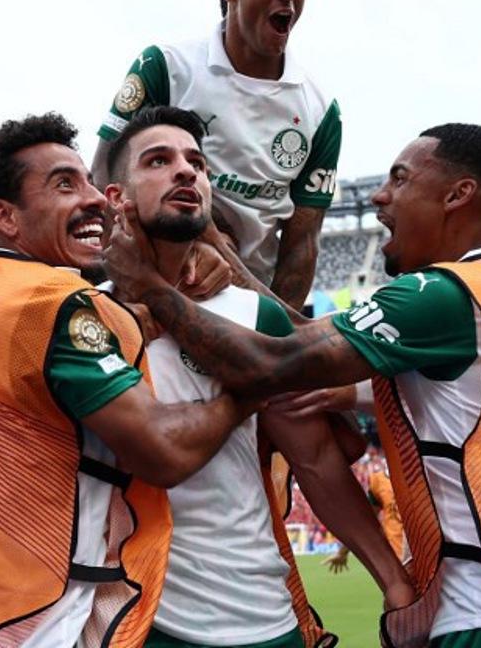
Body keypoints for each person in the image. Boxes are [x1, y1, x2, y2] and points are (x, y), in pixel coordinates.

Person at [105, 123, 481, 647]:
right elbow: (301, 341)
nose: (379, 195)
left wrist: (151, 289)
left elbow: (279, 361)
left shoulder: (448, 294)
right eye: (157, 160)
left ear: (459, 196)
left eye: (398, 178)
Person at [0, 114, 259, 647]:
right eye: (64, 184)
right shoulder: (48, 302)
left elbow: (108, 330)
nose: (96, 198)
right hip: (36, 619)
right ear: (5, 216)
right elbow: (163, 451)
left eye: (87, 180)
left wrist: (171, 286)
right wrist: (251, 385)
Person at [101, 106, 411, 647]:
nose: (185, 171)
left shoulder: (253, 317)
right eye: (158, 160)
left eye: (196, 163)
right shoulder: (83, 321)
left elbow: (314, 460)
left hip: (264, 616)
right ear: (116, 197)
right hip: (140, 618)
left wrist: (394, 583)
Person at [271, 157, 481, 538]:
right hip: (440, 549)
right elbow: (293, 345)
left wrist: (353, 385)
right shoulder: (434, 298)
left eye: (465, 209)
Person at [92, 0, 341, 309]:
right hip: (158, 287)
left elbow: (301, 244)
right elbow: (104, 175)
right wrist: (136, 287)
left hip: (243, 305)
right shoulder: (167, 68)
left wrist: (274, 337)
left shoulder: (320, 109)